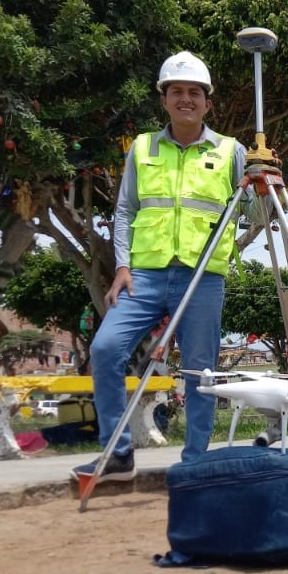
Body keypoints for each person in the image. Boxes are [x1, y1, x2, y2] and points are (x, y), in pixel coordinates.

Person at [72, 50, 253, 488]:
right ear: (165, 99)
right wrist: (120, 267)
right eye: (177, 91)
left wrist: (265, 184)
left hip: (203, 275)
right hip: (145, 274)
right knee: (104, 349)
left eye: (195, 92)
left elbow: (256, 215)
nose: (186, 99)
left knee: (199, 371)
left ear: (208, 103)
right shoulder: (142, 148)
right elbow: (124, 211)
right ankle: (117, 453)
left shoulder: (232, 152)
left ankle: (193, 462)